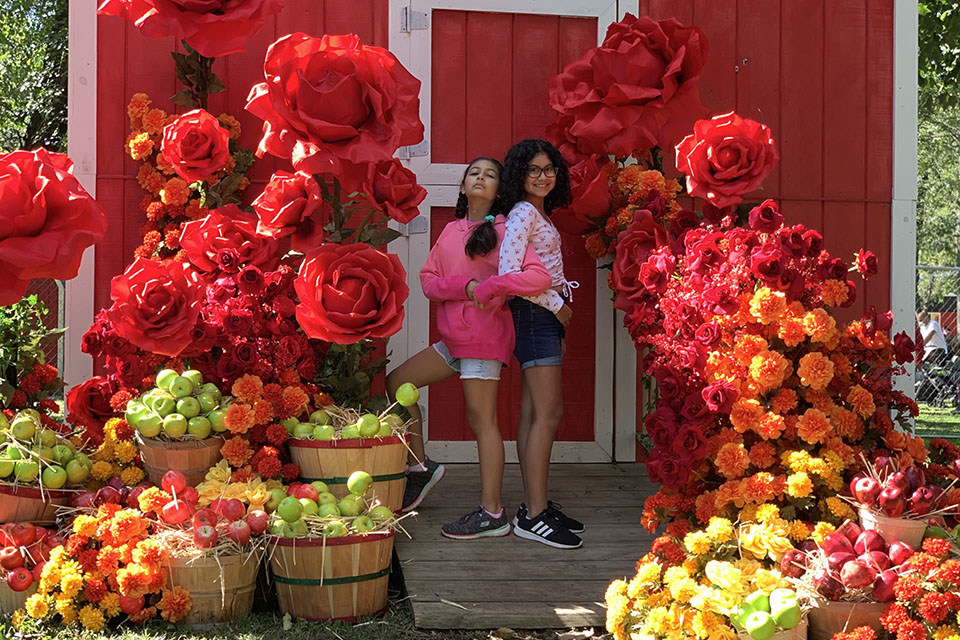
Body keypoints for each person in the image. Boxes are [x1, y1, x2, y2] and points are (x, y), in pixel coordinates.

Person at [385, 157, 552, 539]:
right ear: (462, 187)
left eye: (490, 174)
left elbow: (538, 276)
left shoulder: (507, 230)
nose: (481, 177)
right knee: (397, 384)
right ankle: (420, 467)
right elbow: (428, 282)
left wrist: (493, 289)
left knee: (483, 424)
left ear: (498, 192)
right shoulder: (450, 231)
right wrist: (466, 288)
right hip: (453, 340)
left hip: (483, 339)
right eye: (474, 173)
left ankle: (492, 513)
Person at [497, 139, 584, 549]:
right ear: (519, 175)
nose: (543, 176)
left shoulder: (537, 213)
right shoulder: (522, 214)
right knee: (549, 415)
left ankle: (535, 505)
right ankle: (532, 517)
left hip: (542, 318)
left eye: (549, 169)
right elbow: (510, 274)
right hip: (535, 317)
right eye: (533, 170)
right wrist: (557, 305)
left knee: (534, 414)